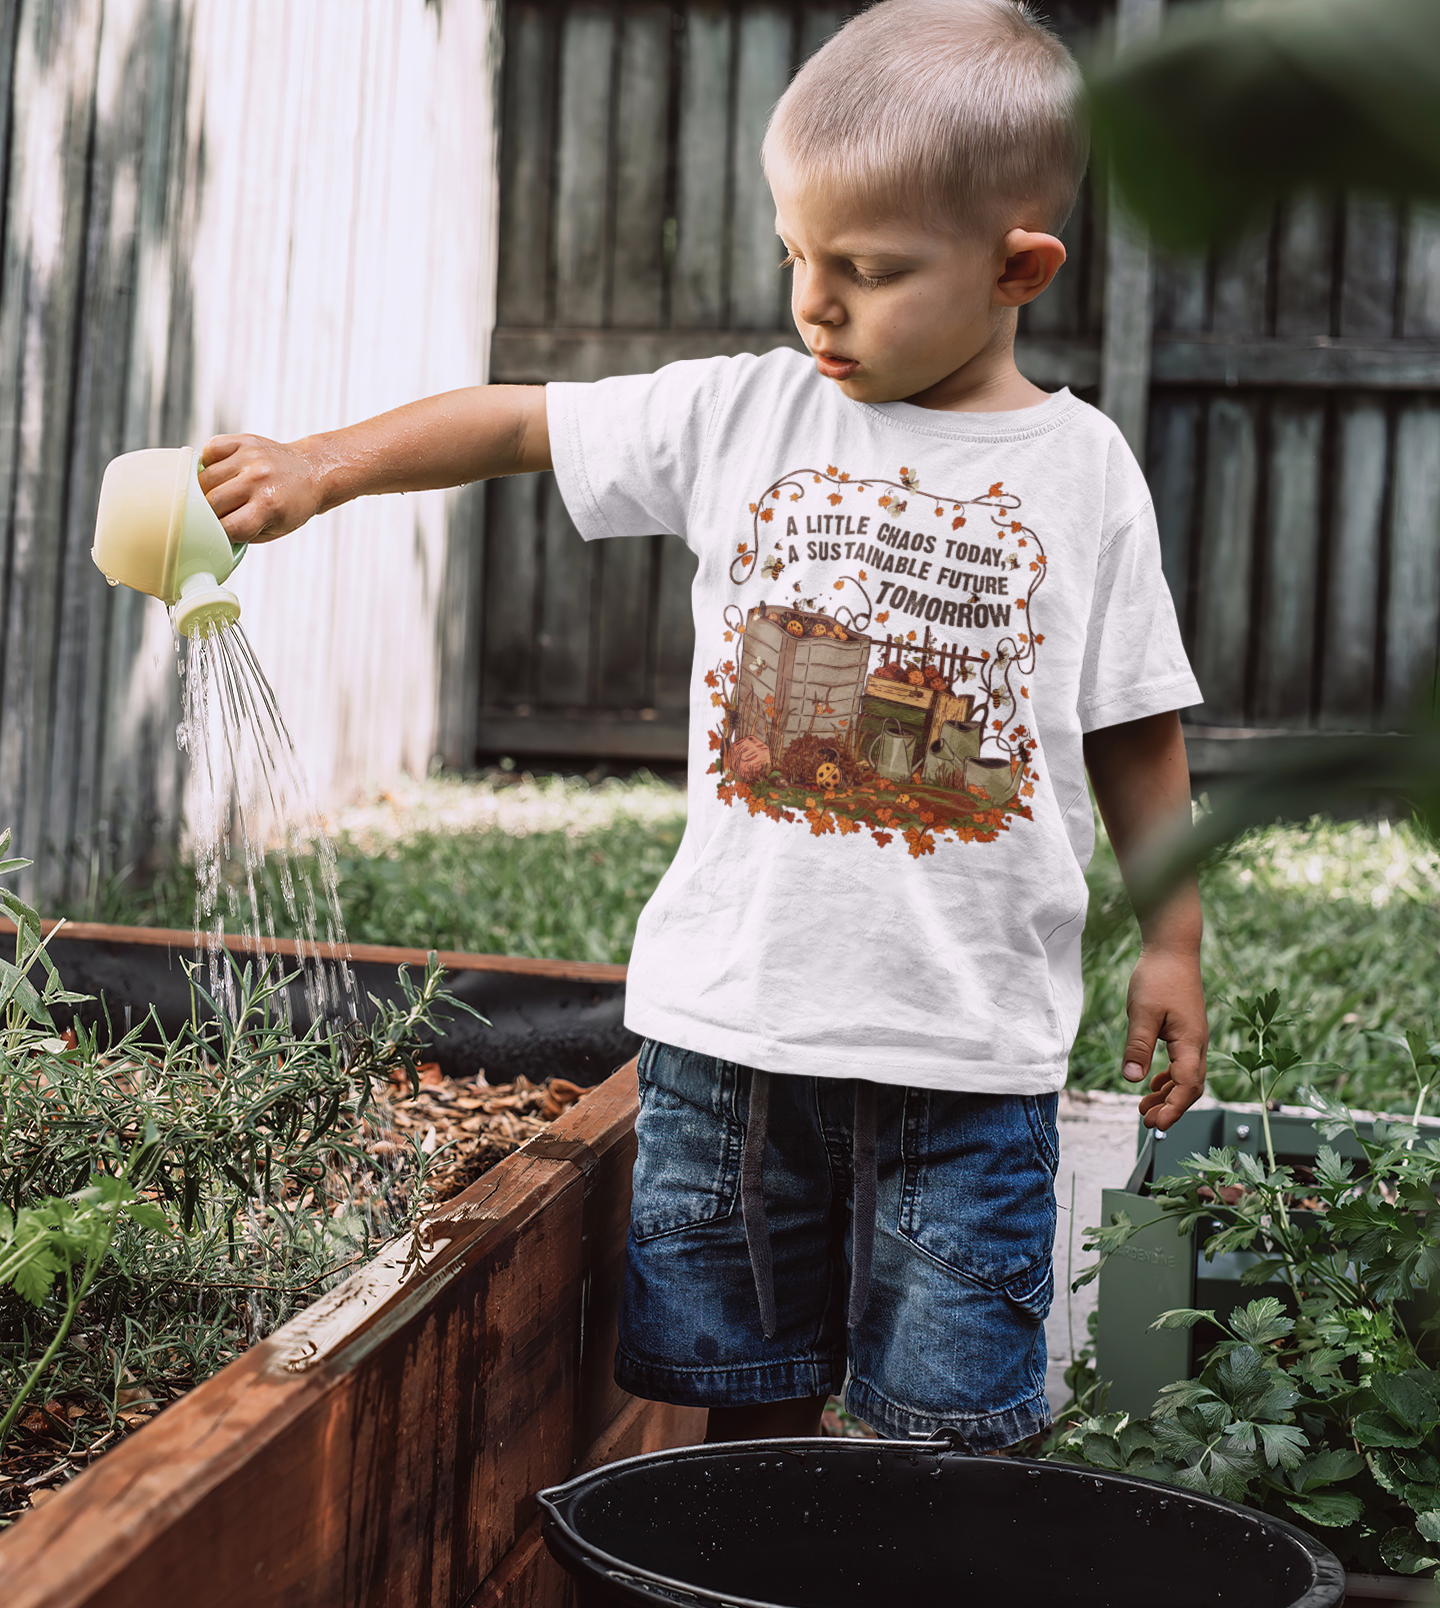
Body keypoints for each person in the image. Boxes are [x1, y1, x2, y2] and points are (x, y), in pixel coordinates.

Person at [197, 0, 1208, 1452]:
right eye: (798, 254)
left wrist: (1170, 940)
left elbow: (1133, 719)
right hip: (735, 1031)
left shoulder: (1083, 469)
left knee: (947, 1439)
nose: (817, 304)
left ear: (1019, 267)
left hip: (969, 1055)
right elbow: (516, 420)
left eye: (868, 271)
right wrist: (321, 464)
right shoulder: (745, 413)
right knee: (743, 1404)